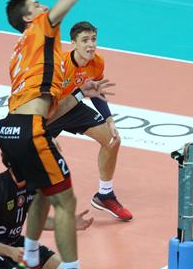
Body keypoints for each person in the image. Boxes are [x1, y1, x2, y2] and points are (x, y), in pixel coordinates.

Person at [0, 0, 129, 269]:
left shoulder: (19, 52)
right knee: (66, 202)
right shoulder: (41, 28)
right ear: (29, 16)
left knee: (42, 194)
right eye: (37, 5)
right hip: (32, 130)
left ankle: (30, 260)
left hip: (9, 129)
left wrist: (80, 89)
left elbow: (39, 92)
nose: (43, 6)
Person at [47, 21, 132, 221]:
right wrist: (44, 134)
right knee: (35, 159)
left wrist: (109, 118)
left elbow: (95, 91)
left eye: (93, 39)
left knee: (112, 140)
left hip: (73, 106)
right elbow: (47, 106)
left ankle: (105, 195)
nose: (91, 45)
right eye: (85, 40)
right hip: (51, 110)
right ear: (73, 44)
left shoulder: (97, 62)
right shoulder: (59, 65)